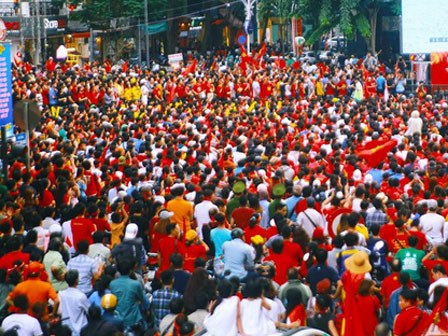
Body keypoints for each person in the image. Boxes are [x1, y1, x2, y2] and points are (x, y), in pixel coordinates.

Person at [110, 259, 147, 330]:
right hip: (133, 319)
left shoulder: (112, 284)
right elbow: (142, 299)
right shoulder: (136, 284)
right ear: (130, 270)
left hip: (118, 318)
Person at [58, 270, 91, 336]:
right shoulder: (81, 296)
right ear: (76, 280)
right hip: (80, 329)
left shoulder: (61, 294)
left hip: (66, 330)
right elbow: (89, 310)